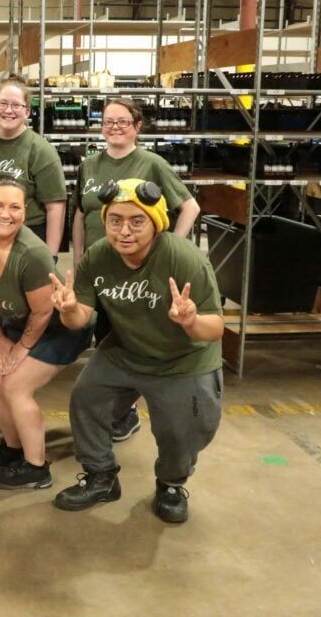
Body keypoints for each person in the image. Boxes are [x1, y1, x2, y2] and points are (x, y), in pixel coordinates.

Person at [52, 179, 224, 523]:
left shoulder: (183, 258)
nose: (124, 231)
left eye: (136, 221)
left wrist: (189, 320)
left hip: (183, 360)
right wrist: (69, 309)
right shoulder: (99, 257)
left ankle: (171, 484)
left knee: (182, 433)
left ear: (156, 222)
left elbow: (215, 327)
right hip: (126, 351)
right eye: (115, 220)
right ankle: (101, 476)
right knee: (87, 397)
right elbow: (80, 319)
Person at [72, 97, 201, 443]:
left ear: (137, 127)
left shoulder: (151, 163)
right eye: (108, 121)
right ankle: (116, 408)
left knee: (133, 339)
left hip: (138, 271)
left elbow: (190, 206)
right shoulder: (89, 165)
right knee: (107, 338)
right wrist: (78, 260)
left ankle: (125, 413)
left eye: (123, 122)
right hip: (100, 269)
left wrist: (171, 246)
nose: (114, 127)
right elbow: (81, 216)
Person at [0, 178, 92, 491]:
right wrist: (0, 340)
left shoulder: (32, 254)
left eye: (15, 207)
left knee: (14, 387)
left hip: (60, 329)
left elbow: (44, 312)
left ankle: (36, 468)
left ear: (25, 212)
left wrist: (21, 348)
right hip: (16, 324)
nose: (6, 214)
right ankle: (12, 450)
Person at [0, 76, 66, 255]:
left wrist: (51, 256)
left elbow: (55, 207)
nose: (8, 110)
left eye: (16, 105)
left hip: (23, 241)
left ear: (27, 112)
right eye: (2, 103)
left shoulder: (41, 151)